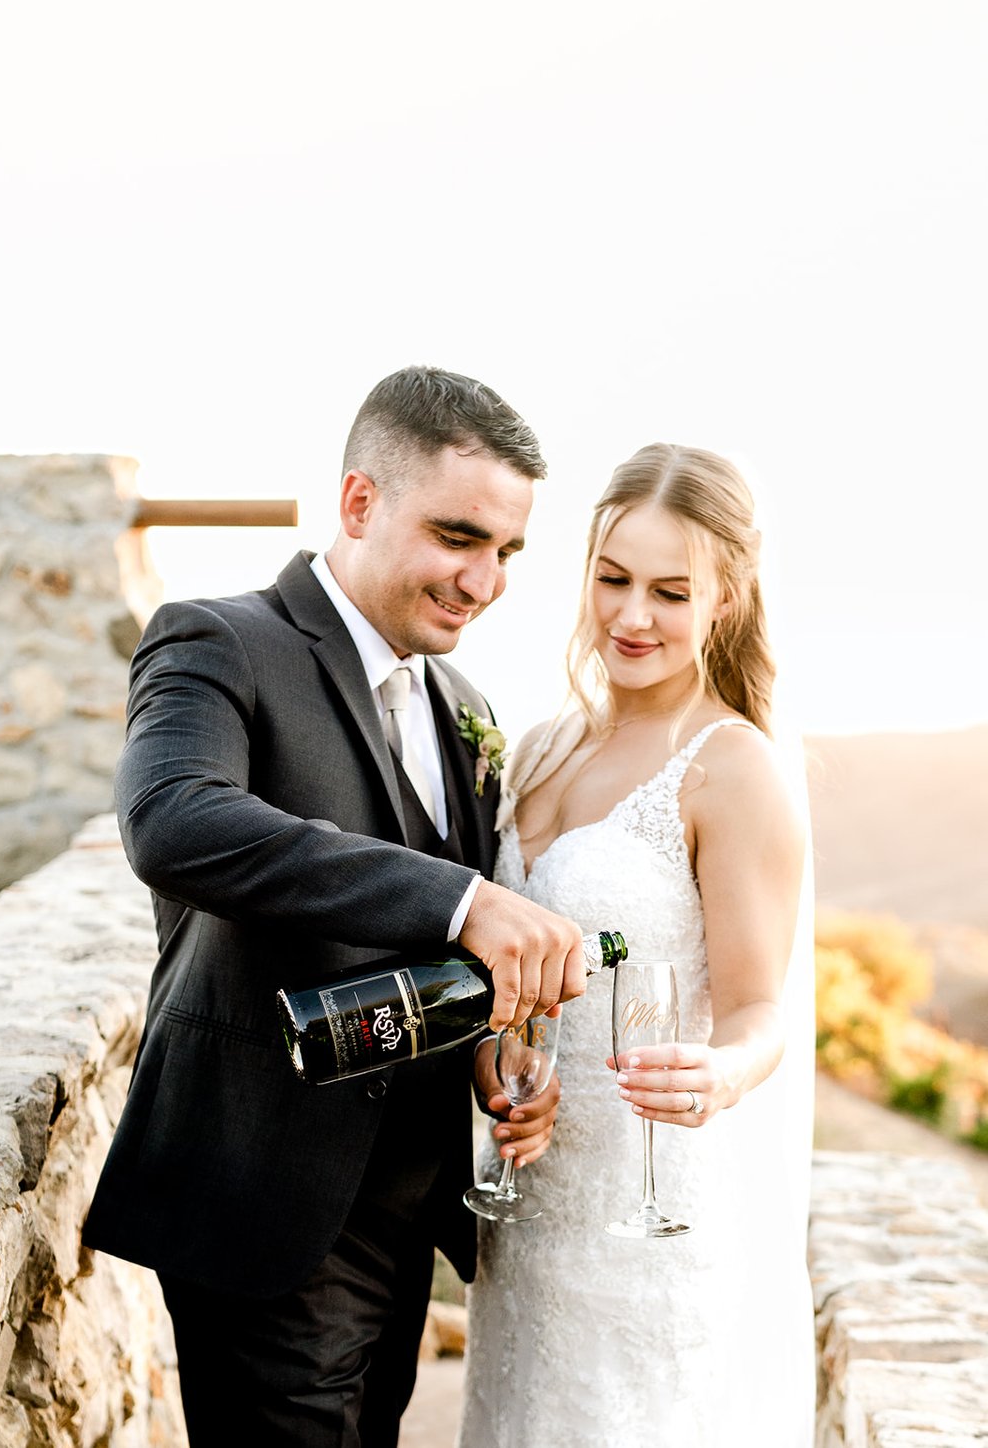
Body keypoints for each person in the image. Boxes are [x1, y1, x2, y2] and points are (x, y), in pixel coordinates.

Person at [83, 366, 591, 1448]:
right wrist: (462, 898)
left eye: (506, 551)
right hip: (262, 1196)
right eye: (458, 536)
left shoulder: (466, 707)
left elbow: (440, 961)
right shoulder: (218, 640)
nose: (484, 579)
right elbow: (172, 821)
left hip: (406, 1213)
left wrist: (494, 1058)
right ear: (359, 502)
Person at [458, 443, 817, 1448]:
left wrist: (722, 1071)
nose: (630, 616)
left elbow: (760, 1009)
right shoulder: (536, 748)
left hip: (649, 1228)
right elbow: (504, 978)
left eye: (669, 590)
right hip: (527, 1225)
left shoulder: (729, 767)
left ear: (727, 597)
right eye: (611, 579)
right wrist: (499, 1069)